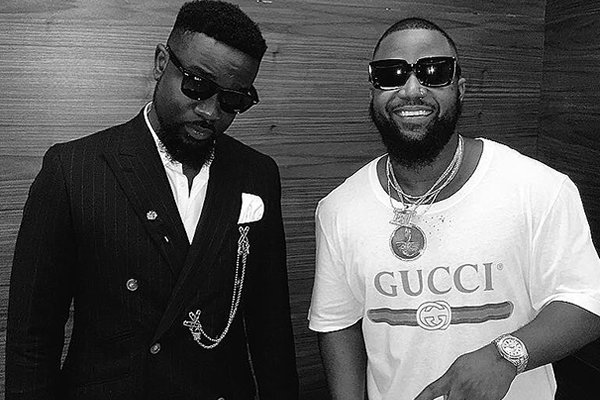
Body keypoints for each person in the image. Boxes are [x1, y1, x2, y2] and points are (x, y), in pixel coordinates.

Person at [5, 1, 299, 399]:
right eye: (198, 85)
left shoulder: (257, 173)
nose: (211, 112)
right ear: (162, 62)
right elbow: (32, 339)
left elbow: (270, 324)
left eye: (233, 100)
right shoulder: (74, 170)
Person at [308, 17, 600, 400]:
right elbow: (338, 324)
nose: (411, 89)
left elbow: (587, 302)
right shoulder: (339, 209)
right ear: (373, 90)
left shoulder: (537, 188)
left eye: (434, 72)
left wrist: (505, 356)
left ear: (460, 89)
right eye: (391, 74)